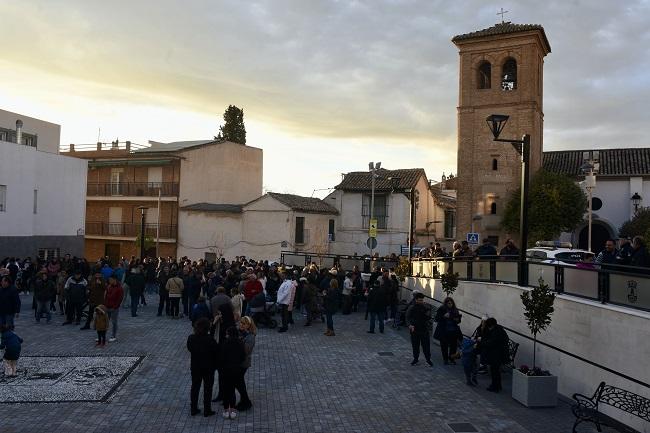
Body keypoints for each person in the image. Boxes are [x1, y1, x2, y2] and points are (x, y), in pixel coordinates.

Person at [187, 317, 218, 417]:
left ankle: (193, 408)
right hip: (208, 368)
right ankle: (207, 410)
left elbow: (190, 349)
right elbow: (215, 353)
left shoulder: (191, 338)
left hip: (196, 367)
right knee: (208, 389)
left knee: (195, 387)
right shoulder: (210, 340)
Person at [218, 326, 245, 420]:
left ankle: (226, 410)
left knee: (226, 390)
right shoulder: (240, 343)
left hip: (226, 370)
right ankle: (232, 410)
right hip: (236, 369)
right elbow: (243, 356)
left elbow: (221, 356)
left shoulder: (225, 343)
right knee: (232, 390)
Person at [479, 317, 509, 392]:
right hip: (499, 353)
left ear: (491, 326)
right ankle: (497, 385)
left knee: (494, 370)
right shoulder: (498, 329)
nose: (488, 328)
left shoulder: (496, 332)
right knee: (495, 370)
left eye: (489, 327)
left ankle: (495, 386)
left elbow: (491, 343)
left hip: (497, 355)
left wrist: (482, 341)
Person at [405, 292, 433, 366]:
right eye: (419, 300)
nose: (421, 301)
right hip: (415, 329)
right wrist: (410, 325)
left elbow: (429, 318)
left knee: (426, 346)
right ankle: (415, 359)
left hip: (424, 329)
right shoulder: (412, 307)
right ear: (416, 300)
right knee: (415, 345)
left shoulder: (426, 307)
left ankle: (428, 359)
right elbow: (407, 317)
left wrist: (428, 316)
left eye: (422, 300)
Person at [235, 316, 256, 411]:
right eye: (241, 323)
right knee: (239, 381)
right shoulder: (239, 332)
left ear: (249, 325)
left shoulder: (250, 336)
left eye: (244, 324)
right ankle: (245, 400)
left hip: (244, 362)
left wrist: (238, 342)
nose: (241, 325)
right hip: (237, 361)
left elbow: (246, 350)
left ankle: (246, 401)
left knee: (239, 381)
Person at [433, 297, 462, 365]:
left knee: (453, 346)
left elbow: (458, 320)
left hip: (453, 331)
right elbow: (437, 319)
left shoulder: (455, 310)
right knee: (444, 346)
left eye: (451, 303)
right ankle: (445, 359)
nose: (450, 304)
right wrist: (444, 316)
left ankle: (451, 358)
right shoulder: (441, 309)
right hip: (444, 331)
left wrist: (457, 320)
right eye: (449, 303)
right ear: (446, 303)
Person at [104, 274, 124, 342]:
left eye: (110, 280)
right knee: (105, 321)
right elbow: (106, 296)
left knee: (114, 322)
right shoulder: (109, 286)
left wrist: (115, 307)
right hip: (107, 306)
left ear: (114, 279)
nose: (109, 281)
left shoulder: (119, 288)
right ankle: (103, 335)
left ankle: (113, 335)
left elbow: (120, 299)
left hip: (114, 307)